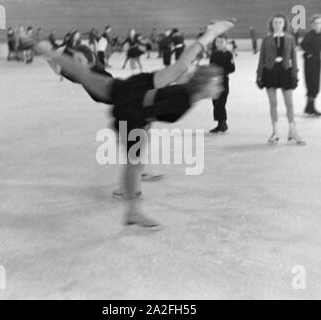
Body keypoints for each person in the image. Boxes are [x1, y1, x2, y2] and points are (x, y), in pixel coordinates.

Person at [26, 20, 236, 228]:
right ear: (205, 83)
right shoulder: (184, 96)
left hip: (133, 101)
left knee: (135, 163)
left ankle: (130, 198)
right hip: (128, 103)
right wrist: (212, 33)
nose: (219, 86)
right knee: (134, 163)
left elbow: (172, 82)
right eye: (216, 82)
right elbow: (181, 66)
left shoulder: (188, 92)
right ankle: (132, 209)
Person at [256, 13, 305, 145]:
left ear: (284, 24)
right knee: (273, 103)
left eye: (280, 22)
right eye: (275, 22)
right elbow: (261, 59)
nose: (277, 25)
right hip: (270, 72)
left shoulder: (290, 38)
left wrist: (294, 74)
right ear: (272, 24)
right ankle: (275, 131)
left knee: (289, 103)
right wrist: (259, 75)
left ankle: (292, 131)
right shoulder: (266, 39)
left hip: (285, 72)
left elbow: (294, 58)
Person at [300, 14, 321, 117]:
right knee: (312, 84)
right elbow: (303, 45)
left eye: (320, 23)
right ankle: (311, 108)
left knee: (316, 85)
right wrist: (309, 55)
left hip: (317, 62)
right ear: (311, 24)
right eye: (315, 23)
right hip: (310, 63)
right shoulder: (309, 35)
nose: (318, 25)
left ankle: (309, 107)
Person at [209, 34, 235, 133]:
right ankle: (219, 123)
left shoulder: (228, 54)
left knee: (221, 102)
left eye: (221, 42)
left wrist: (221, 72)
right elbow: (210, 66)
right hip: (214, 81)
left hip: (223, 81)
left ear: (226, 42)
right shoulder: (214, 54)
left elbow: (232, 68)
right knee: (215, 102)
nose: (219, 44)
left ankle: (223, 123)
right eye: (217, 42)